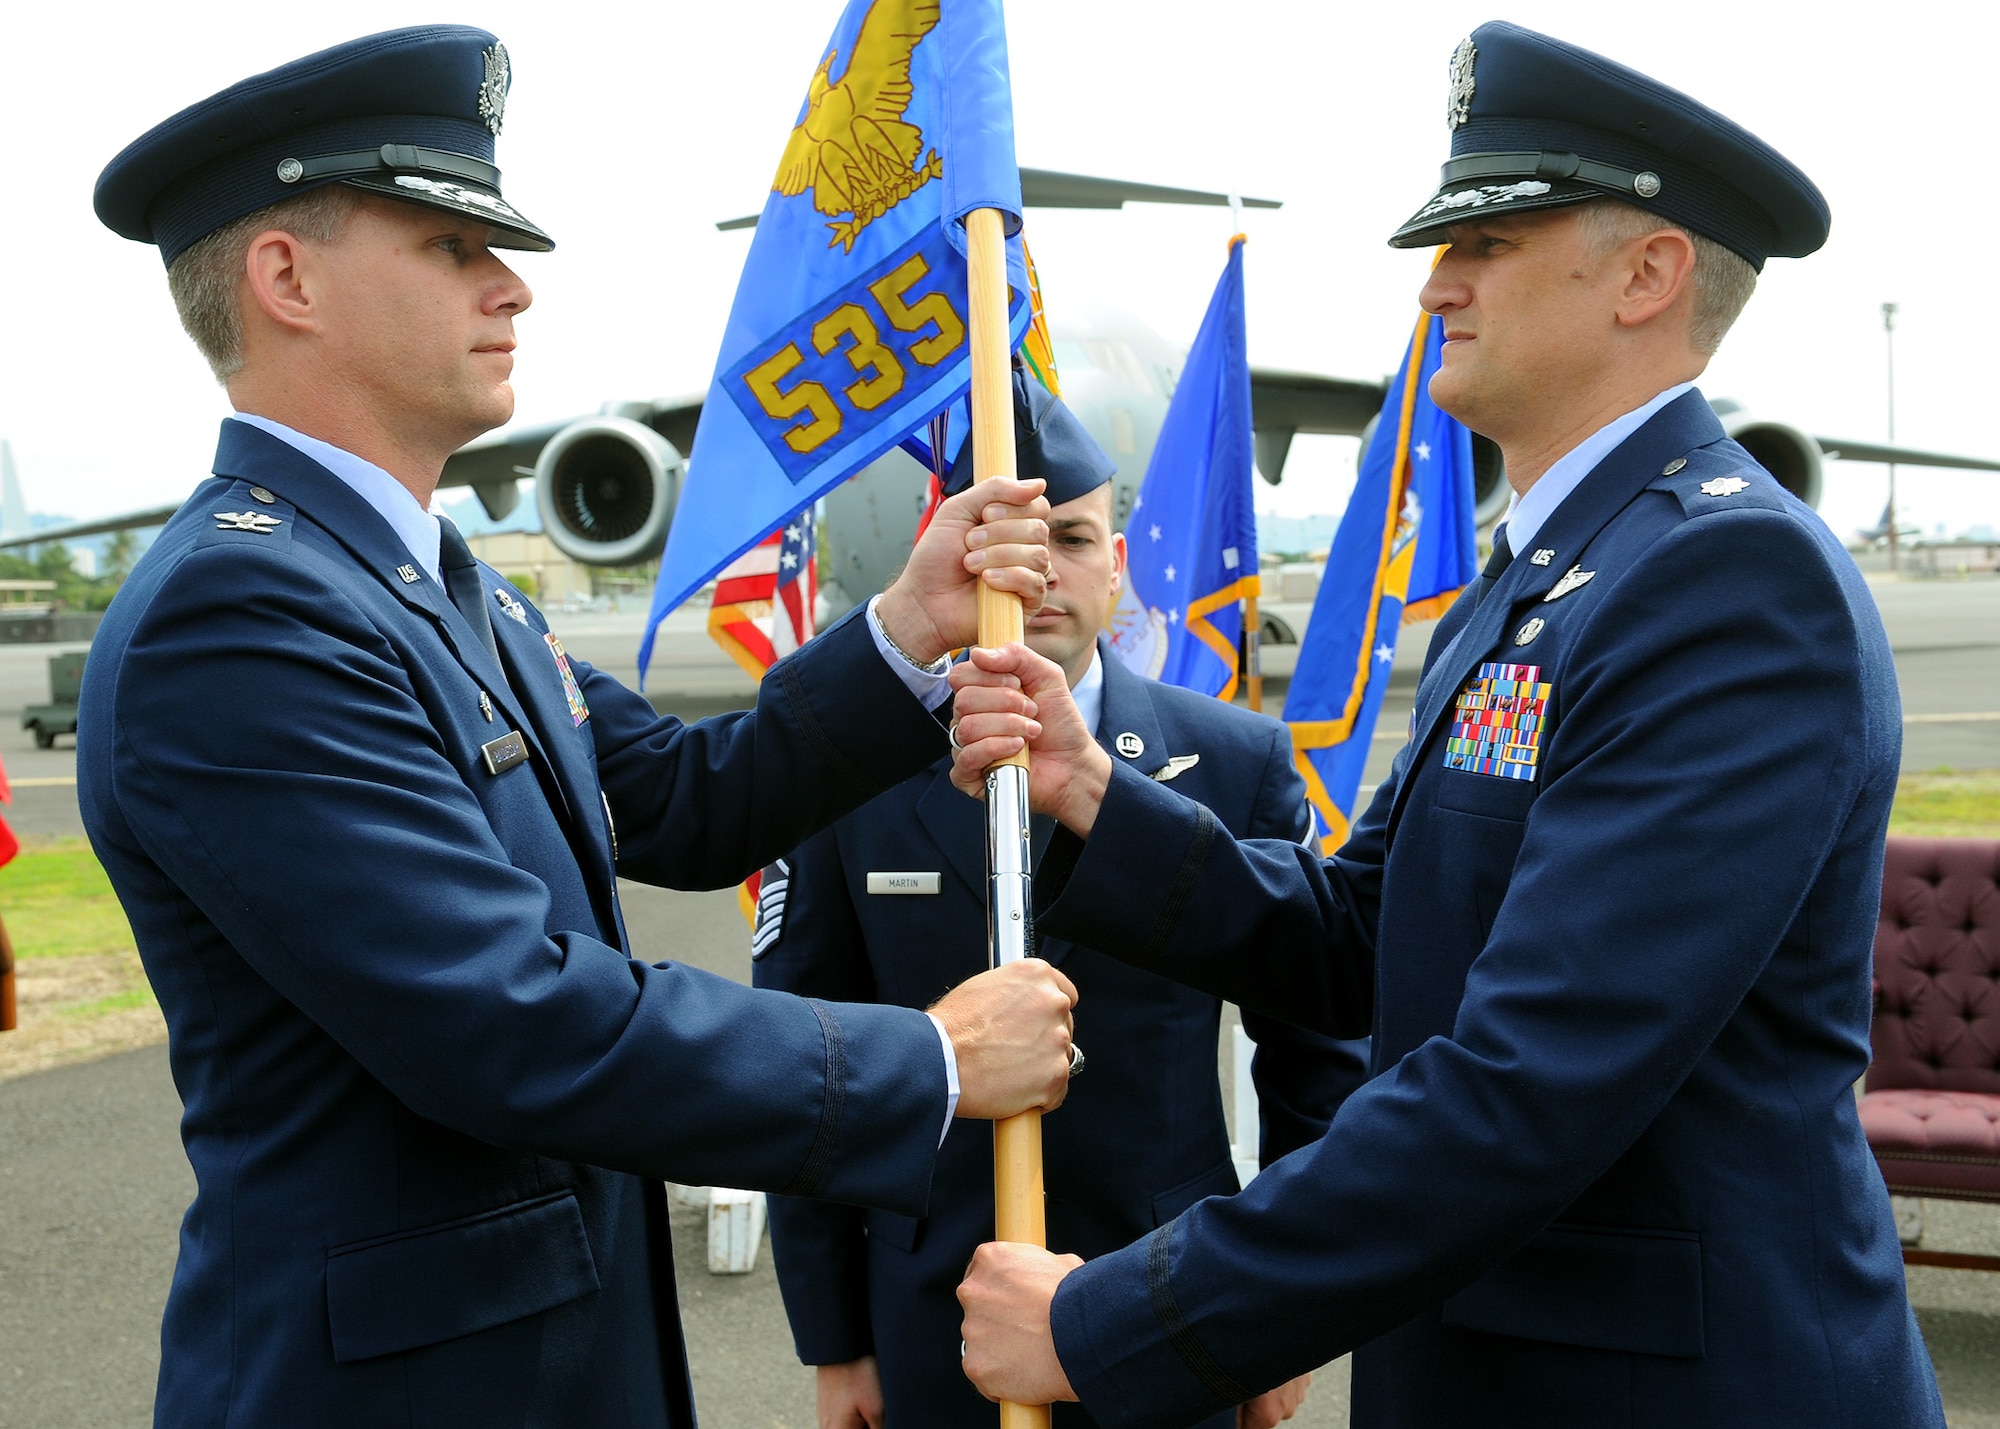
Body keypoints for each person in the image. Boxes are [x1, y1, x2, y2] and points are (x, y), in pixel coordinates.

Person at [950, 21, 1945, 1429]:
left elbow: (1530, 1081)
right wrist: (1091, 794)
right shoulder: (1543, 575)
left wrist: (1115, 1318)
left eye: (1492, 242)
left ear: (1650, 275)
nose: (1439, 282)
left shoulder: (1728, 584)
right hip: (1506, 1360)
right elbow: (1370, 934)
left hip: (1672, 1389)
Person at [83, 27, 1076, 1429]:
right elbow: (508, 1019)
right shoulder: (241, 611)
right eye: (446, 244)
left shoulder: (432, 581)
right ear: (286, 276)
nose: (513, 285)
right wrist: (927, 1061)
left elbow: (680, 798)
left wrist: (907, 627)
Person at [755, 373, 1364, 1429]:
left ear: (1117, 567)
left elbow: (1316, 1052)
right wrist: (834, 1339)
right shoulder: (846, 773)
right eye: (1008, 546)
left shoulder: (1231, 761)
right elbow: (806, 1062)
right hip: (928, 1319)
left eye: (1072, 542)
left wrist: (1284, 1310)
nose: (1038, 577)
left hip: (1179, 1300)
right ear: (947, 554)